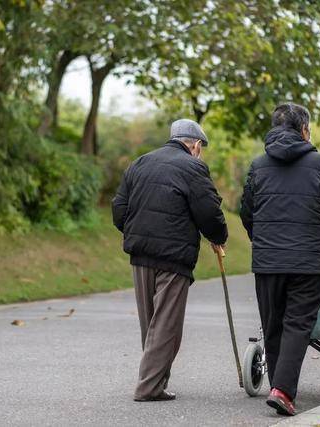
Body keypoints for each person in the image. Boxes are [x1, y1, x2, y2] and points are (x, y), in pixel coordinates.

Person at [112, 118, 228, 402]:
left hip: (140, 255)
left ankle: (156, 381)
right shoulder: (193, 167)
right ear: (196, 145)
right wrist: (218, 235)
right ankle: (149, 387)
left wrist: (135, 230)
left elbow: (119, 209)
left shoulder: (140, 163)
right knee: (165, 324)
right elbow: (208, 211)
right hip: (174, 257)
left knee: (151, 322)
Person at [240, 103, 320, 416]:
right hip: (309, 260)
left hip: (268, 260)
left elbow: (247, 211)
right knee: (297, 324)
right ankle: (282, 390)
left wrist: (260, 239)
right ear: (304, 130)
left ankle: (278, 386)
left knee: (273, 325)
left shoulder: (258, 166)